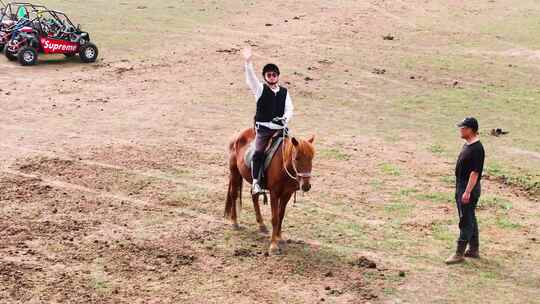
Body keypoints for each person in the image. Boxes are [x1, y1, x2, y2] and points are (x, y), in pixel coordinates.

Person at [241, 47, 294, 195]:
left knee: (294, 151)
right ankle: (256, 183)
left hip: (280, 129)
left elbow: (290, 109)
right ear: (265, 77)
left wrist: (284, 119)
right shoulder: (259, 90)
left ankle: (294, 179)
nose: (272, 77)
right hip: (264, 130)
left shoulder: (284, 92)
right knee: (258, 152)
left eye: (274, 74)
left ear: (278, 76)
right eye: (269, 75)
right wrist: (248, 62)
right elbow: (250, 78)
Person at [446, 117, 485, 265]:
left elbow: (475, 173)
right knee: (470, 217)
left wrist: (467, 191)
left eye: (463, 128)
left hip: (468, 186)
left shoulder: (477, 149)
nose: (460, 130)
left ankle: (459, 253)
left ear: (470, 130)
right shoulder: (468, 144)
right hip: (461, 184)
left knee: (465, 219)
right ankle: (474, 249)